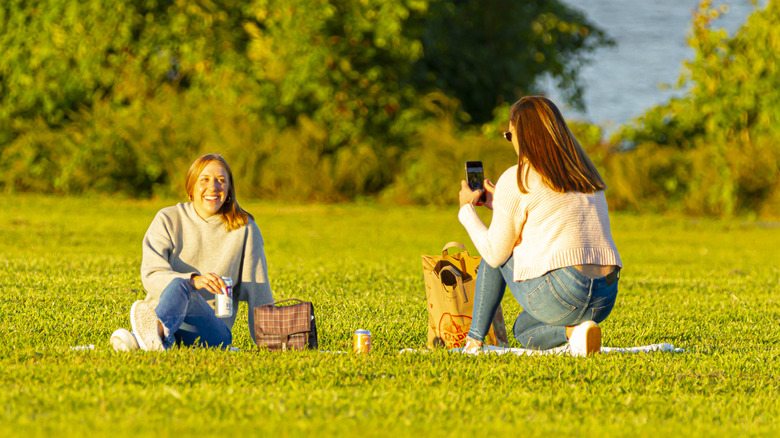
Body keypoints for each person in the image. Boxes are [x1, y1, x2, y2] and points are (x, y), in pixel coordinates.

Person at [457, 96, 622, 356]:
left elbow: (494, 254)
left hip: (566, 291)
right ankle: (576, 333)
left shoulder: (518, 176)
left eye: (509, 135)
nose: (511, 142)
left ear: (522, 135)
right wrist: (499, 202)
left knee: (495, 250)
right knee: (524, 330)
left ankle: (474, 341)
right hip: (605, 295)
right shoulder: (585, 173)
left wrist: (466, 209)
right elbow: (548, 215)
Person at [110, 153, 274, 351]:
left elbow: (259, 291)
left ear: (229, 189)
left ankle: (144, 339)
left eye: (221, 180)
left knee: (183, 286)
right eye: (204, 179)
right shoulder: (167, 219)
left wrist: (271, 343)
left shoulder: (244, 228)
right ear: (191, 187)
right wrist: (193, 281)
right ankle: (157, 334)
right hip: (163, 313)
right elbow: (151, 274)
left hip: (211, 332)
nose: (213, 187)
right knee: (181, 285)